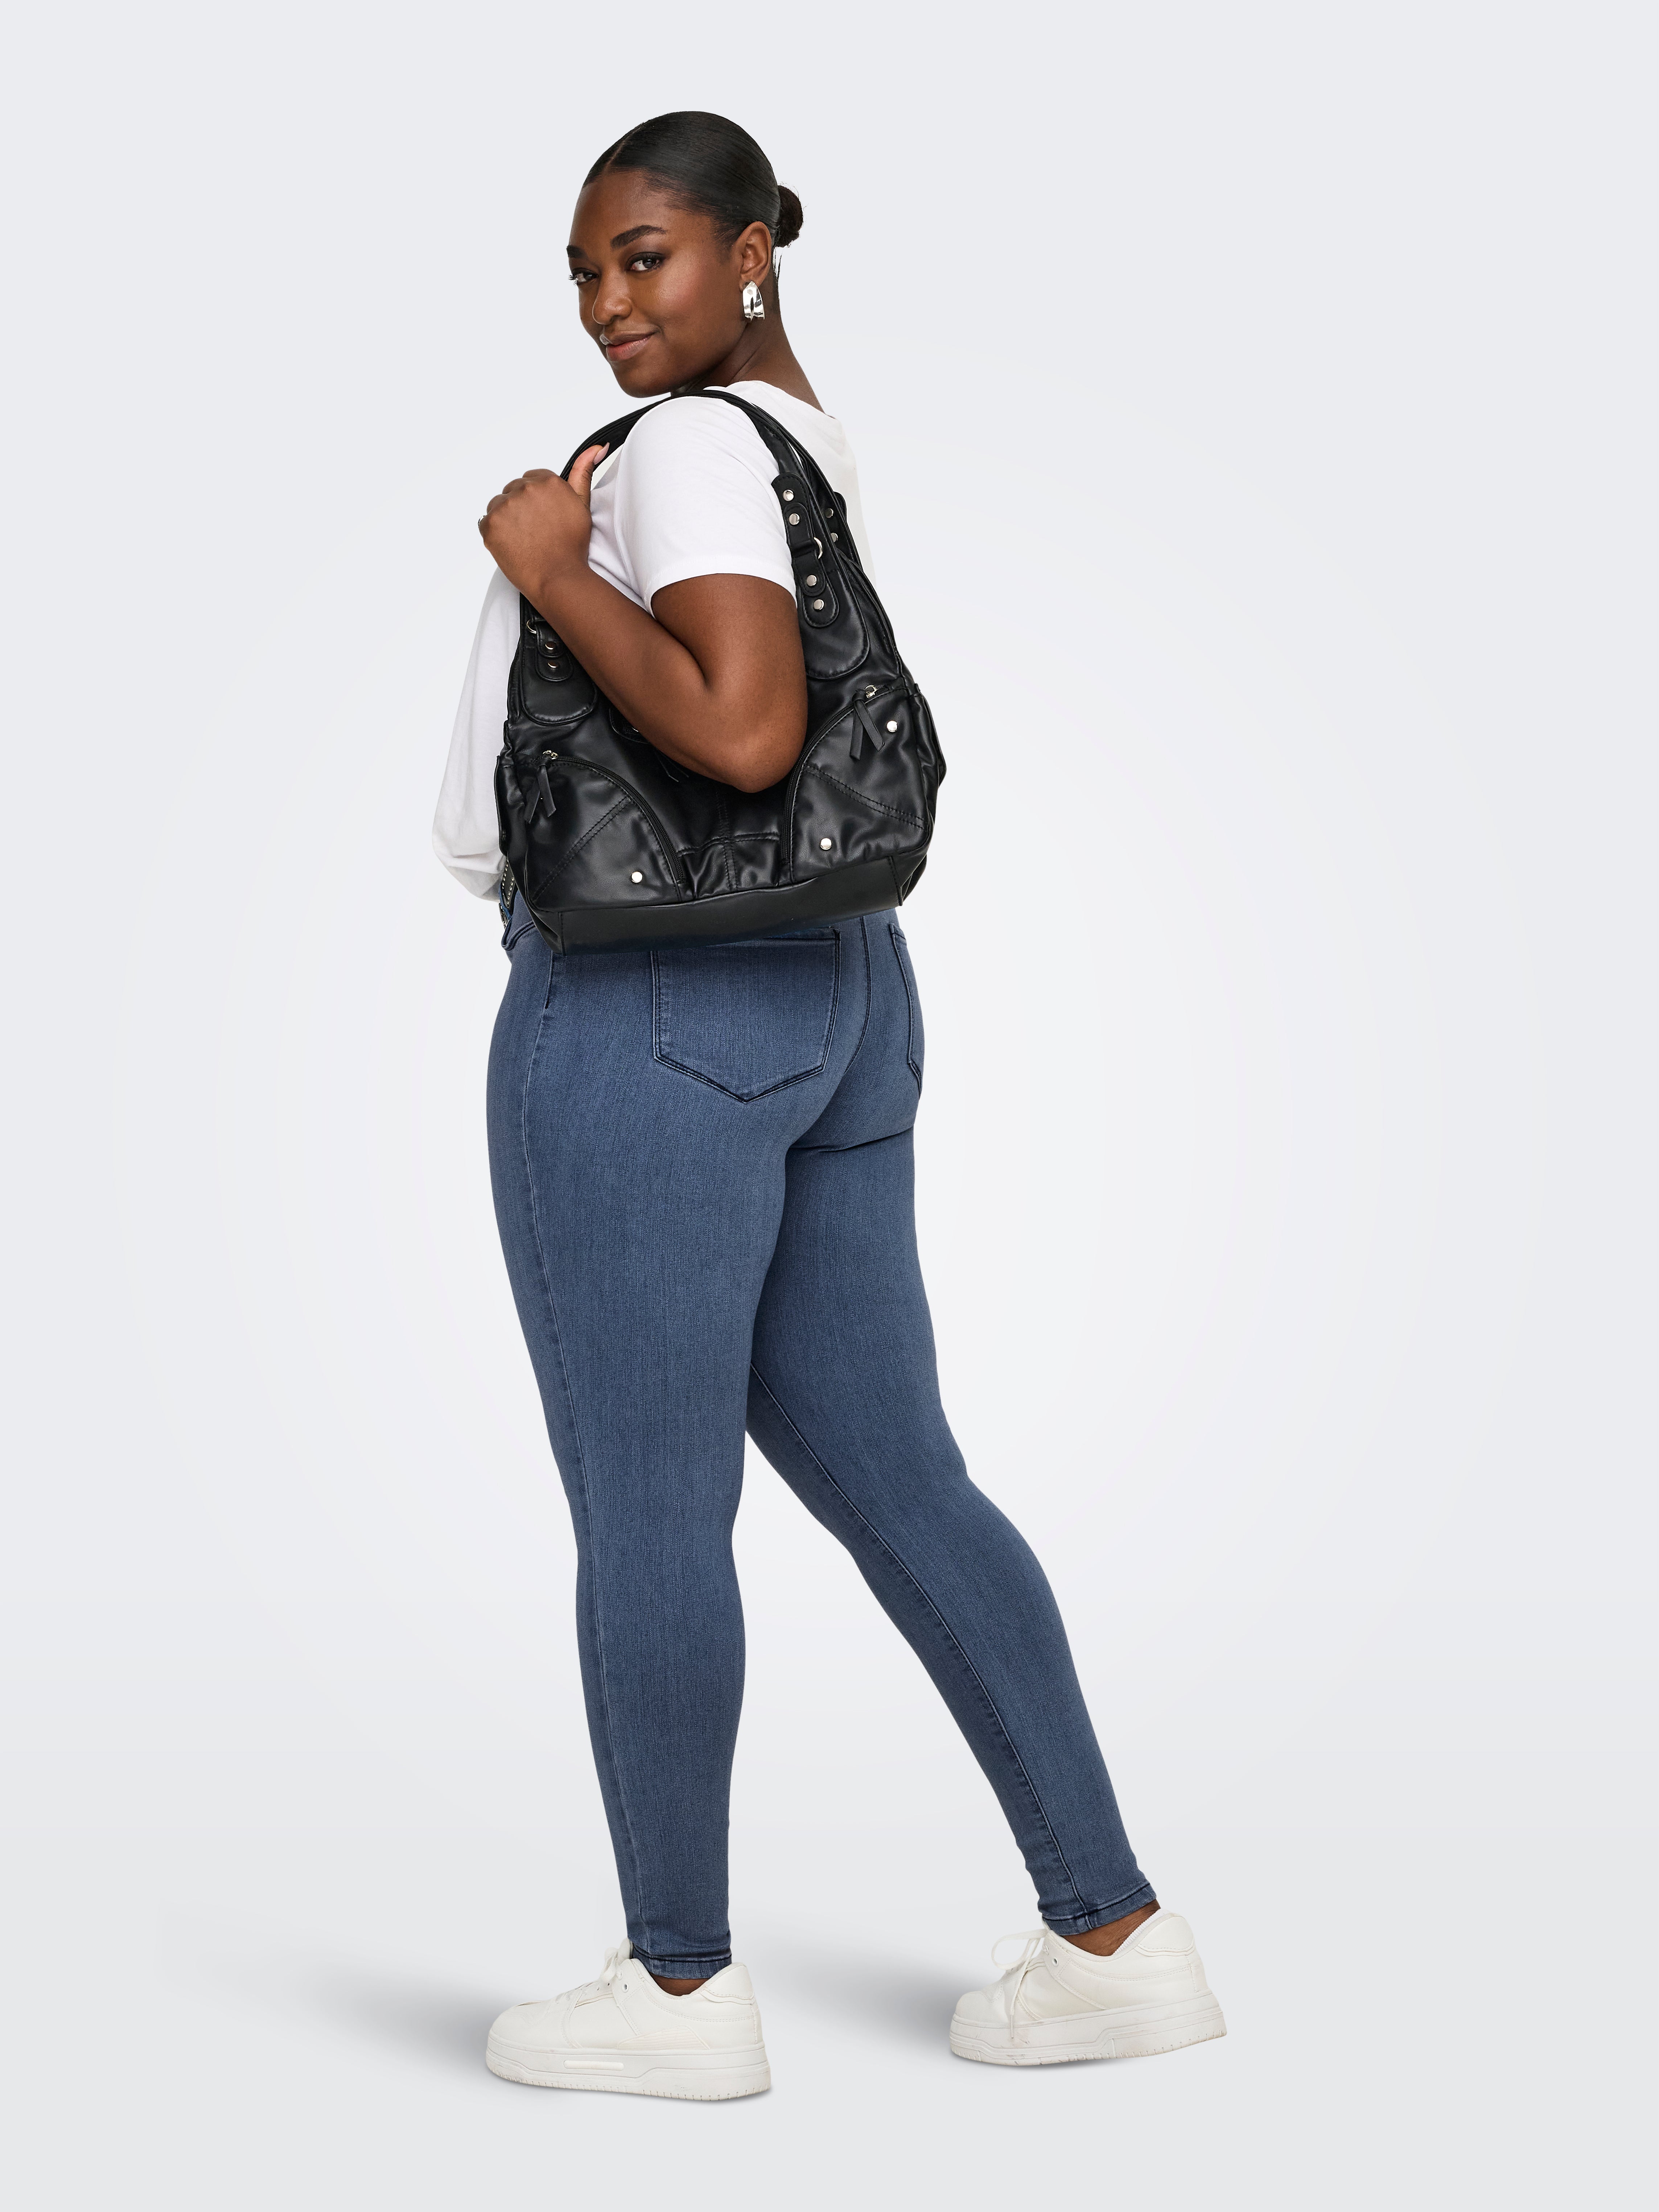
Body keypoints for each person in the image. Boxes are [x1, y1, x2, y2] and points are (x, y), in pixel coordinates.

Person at [434, 111, 1224, 2100]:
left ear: (754, 250)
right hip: (840, 997)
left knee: (650, 1508)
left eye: (647, 257)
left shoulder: (687, 451)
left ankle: (677, 1991)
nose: (610, 304)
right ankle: (1115, 1939)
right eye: (585, 273)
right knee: (902, 1474)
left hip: (655, 1006)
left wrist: (551, 567)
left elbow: (744, 725)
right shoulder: (795, 440)